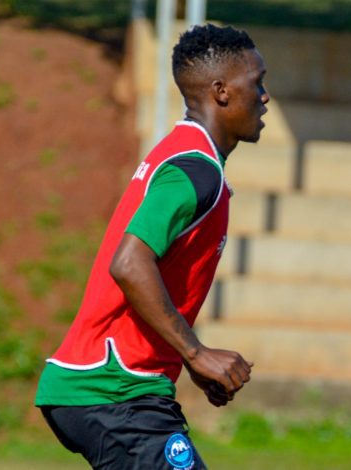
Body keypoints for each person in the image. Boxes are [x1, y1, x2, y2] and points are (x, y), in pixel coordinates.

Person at [35, 24, 270, 469]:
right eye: (256, 83)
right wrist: (196, 354)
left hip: (120, 390)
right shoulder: (195, 170)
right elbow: (128, 262)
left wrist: (191, 364)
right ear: (221, 91)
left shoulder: (185, 155)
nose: (264, 96)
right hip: (112, 389)